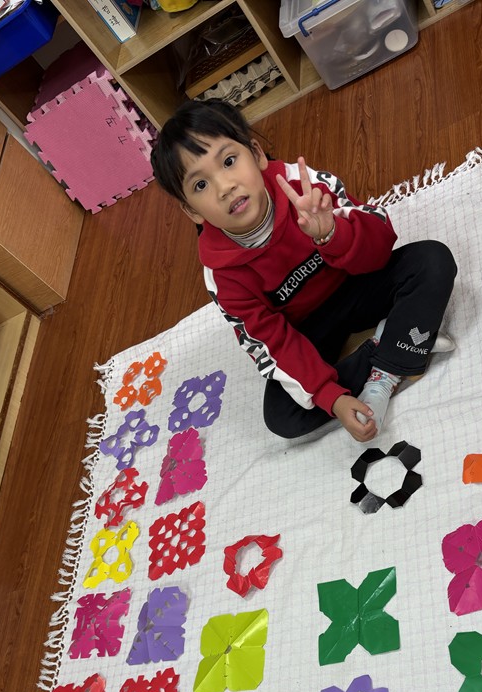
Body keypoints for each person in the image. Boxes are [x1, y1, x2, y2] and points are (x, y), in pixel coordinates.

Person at [151, 98, 457, 442]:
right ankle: (397, 343)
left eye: (229, 161)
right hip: (311, 328)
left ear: (256, 154)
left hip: (357, 283)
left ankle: (387, 368)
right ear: (192, 211)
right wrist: (333, 397)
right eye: (200, 185)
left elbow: (381, 243)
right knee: (282, 417)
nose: (225, 187)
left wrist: (331, 234)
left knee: (432, 260)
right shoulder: (221, 274)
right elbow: (272, 341)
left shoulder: (303, 185)